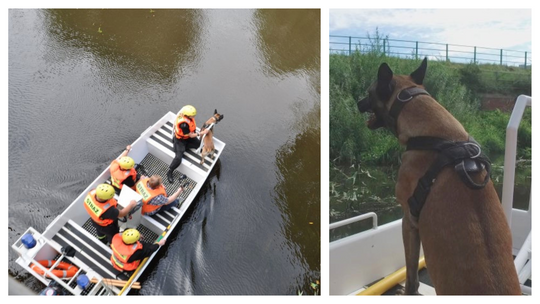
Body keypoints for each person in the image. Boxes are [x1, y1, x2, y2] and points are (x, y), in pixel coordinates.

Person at [167, 105, 209, 183]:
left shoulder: (188, 117)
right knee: (178, 158)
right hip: (180, 140)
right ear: (188, 115)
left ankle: (185, 147)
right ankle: (170, 171)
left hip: (188, 138)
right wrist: (202, 133)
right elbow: (191, 135)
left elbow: (191, 133)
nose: (194, 116)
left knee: (200, 145)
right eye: (193, 115)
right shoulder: (184, 124)